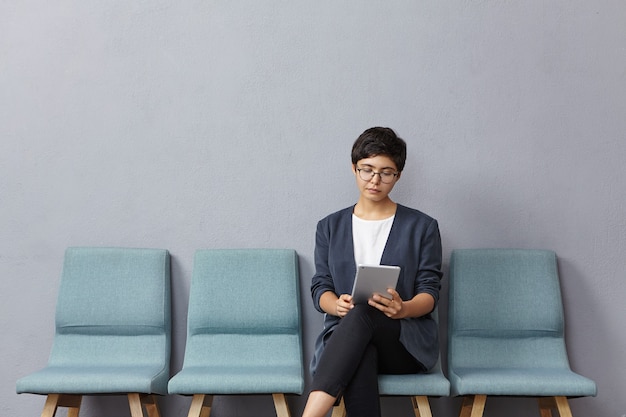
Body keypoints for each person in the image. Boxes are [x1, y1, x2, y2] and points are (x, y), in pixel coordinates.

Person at [302, 127, 443, 417]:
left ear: (398, 176)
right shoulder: (329, 227)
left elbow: (430, 291)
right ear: (354, 169)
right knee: (360, 343)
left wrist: (403, 309)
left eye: (386, 172)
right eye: (367, 170)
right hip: (347, 340)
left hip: (404, 343)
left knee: (363, 314)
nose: (375, 180)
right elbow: (321, 286)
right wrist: (336, 305)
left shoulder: (423, 227)